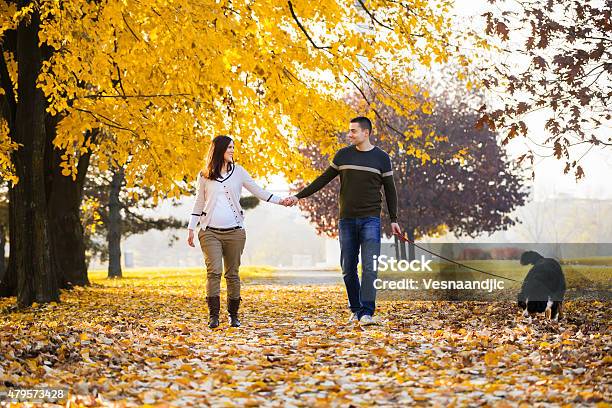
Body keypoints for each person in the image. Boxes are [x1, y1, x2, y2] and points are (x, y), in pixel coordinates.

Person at [284, 117, 401, 326]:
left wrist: (394, 219)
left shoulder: (382, 158)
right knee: (348, 268)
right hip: (346, 220)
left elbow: (390, 190)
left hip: (370, 220)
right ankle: (356, 309)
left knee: (370, 267)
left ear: (366, 133)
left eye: (353, 131)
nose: (349, 135)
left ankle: (367, 312)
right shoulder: (343, 155)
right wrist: (298, 196)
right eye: (349, 131)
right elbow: (322, 179)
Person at [187, 135, 293, 328]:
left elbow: (258, 191)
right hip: (209, 231)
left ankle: (233, 315)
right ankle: (213, 316)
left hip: (235, 232)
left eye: (233, 147)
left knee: (232, 274)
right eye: (229, 147)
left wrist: (281, 201)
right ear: (219, 150)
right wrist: (191, 228)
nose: (232, 150)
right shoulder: (204, 175)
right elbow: (199, 202)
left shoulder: (239, 172)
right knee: (214, 272)